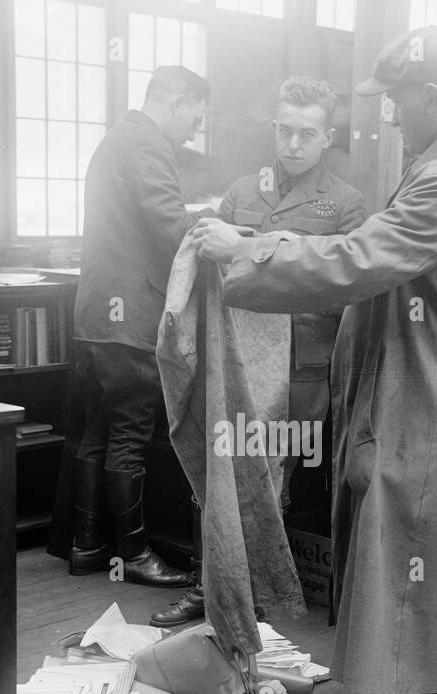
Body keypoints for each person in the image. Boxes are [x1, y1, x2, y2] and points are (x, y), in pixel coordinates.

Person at [192, 26, 437, 694]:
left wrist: (245, 253)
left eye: (400, 98)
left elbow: (357, 259)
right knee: (421, 548)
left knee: (417, 548)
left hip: (434, 395)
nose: (394, 114)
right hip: (436, 386)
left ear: (432, 94)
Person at [151, 76, 367, 627]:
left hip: (300, 366)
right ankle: (212, 588)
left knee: (272, 481)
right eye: (285, 131)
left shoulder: (345, 205)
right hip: (236, 364)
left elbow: (344, 285)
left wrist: (258, 251)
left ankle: (257, 600)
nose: (293, 144)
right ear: (275, 128)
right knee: (219, 475)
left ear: (327, 137)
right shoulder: (242, 193)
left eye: (307, 134)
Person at [69, 66, 209, 588]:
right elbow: (169, 224)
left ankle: (87, 545)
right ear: (175, 101)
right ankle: (133, 553)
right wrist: (213, 231)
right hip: (131, 316)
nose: (193, 131)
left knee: (99, 427)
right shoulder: (149, 144)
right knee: (129, 429)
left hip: (99, 315)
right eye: (193, 117)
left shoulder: (116, 138)